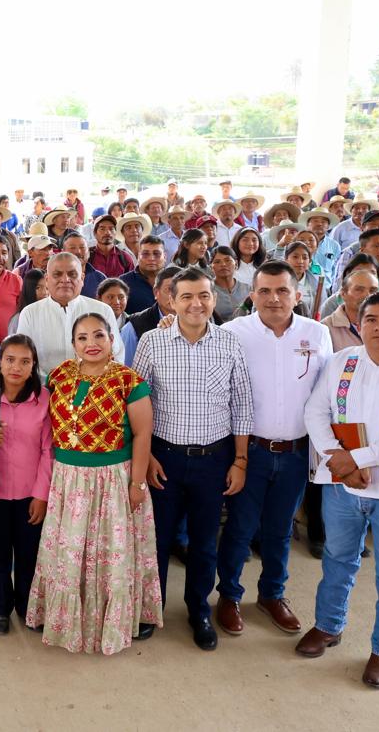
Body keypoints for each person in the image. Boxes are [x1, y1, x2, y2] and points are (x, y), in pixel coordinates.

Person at [299, 292, 379, 689]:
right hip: (343, 488)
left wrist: (356, 459)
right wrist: (337, 457)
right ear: (360, 324)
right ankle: (329, 625)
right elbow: (316, 411)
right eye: (371, 319)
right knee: (337, 558)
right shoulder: (341, 361)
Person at [210, 261, 332, 641]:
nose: (274, 298)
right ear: (252, 295)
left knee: (280, 530)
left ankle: (271, 594)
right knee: (241, 528)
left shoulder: (317, 333)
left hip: (297, 452)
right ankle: (228, 596)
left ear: (297, 295)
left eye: (282, 291)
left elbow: (327, 394)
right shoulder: (233, 332)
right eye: (264, 291)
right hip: (251, 450)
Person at [26, 313, 161, 653]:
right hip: (68, 480)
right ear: (73, 345)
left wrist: (137, 484)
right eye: (83, 338)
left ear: (111, 340)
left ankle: (110, 621)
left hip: (112, 480)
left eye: (99, 335)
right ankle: (62, 618)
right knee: (70, 551)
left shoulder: (129, 381)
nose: (92, 344)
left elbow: (143, 433)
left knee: (109, 553)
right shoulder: (58, 377)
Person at [134, 269, 253, 651]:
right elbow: (137, 404)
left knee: (204, 542)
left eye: (203, 296)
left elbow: (242, 406)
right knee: (158, 539)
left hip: (213, 460)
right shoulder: (152, 342)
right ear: (171, 300)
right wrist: (147, 455)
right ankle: (151, 608)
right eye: (186, 296)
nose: (195, 303)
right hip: (164, 458)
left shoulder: (229, 343)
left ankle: (199, 609)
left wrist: (240, 461)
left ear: (213, 300)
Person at [0, 335, 52, 635]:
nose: (16, 367)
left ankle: (28, 606)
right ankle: (0, 608)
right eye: (10, 359)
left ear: (33, 365)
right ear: (0, 361)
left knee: (28, 555)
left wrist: (41, 495)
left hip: (29, 494)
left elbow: (48, 450)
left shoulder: (44, 399)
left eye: (25, 361)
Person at [19, 254, 123, 380]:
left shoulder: (102, 310)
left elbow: (116, 355)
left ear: (82, 278)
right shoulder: (30, 313)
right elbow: (23, 357)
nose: (65, 280)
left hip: (95, 391)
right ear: (47, 279)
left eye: (72, 274)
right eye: (57, 274)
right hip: (44, 391)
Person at [209, 246, 250, 322]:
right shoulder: (208, 291)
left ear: (236, 264)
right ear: (211, 267)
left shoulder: (248, 289)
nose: (223, 264)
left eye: (228, 260)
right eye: (217, 262)